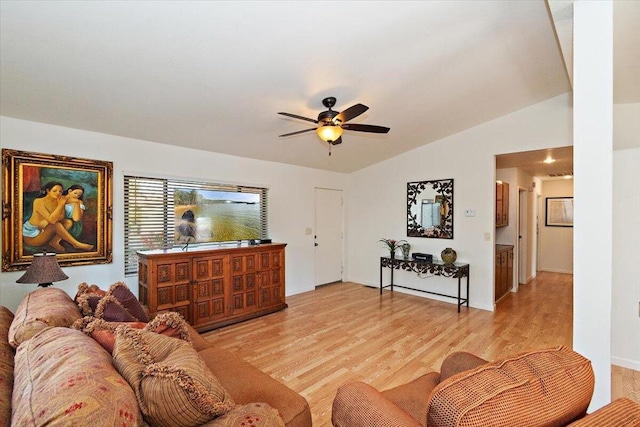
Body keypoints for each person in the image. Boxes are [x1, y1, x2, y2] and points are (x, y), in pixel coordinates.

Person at [22, 181, 93, 252]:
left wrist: (47, 221)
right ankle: (76, 244)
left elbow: (61, 217)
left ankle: (54, 242)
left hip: (44, 229)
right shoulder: (38, 202)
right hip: (32, 236)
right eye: (54, 191)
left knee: (68, 222)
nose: (58, 193)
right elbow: (52, 221)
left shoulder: (58, 201)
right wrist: (61, 205)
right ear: (48, 191)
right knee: (56, 225)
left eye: (60, 191)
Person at [48, 184, 87, 251]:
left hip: (73, 223)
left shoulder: (79, 202)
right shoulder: (60, 198)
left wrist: (76, 204)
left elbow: (76, 219)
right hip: (58, 219)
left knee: (69, 222)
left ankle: (55, 241)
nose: (77, 196)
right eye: (75, 193)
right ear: (70, 191)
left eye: (79, 195)